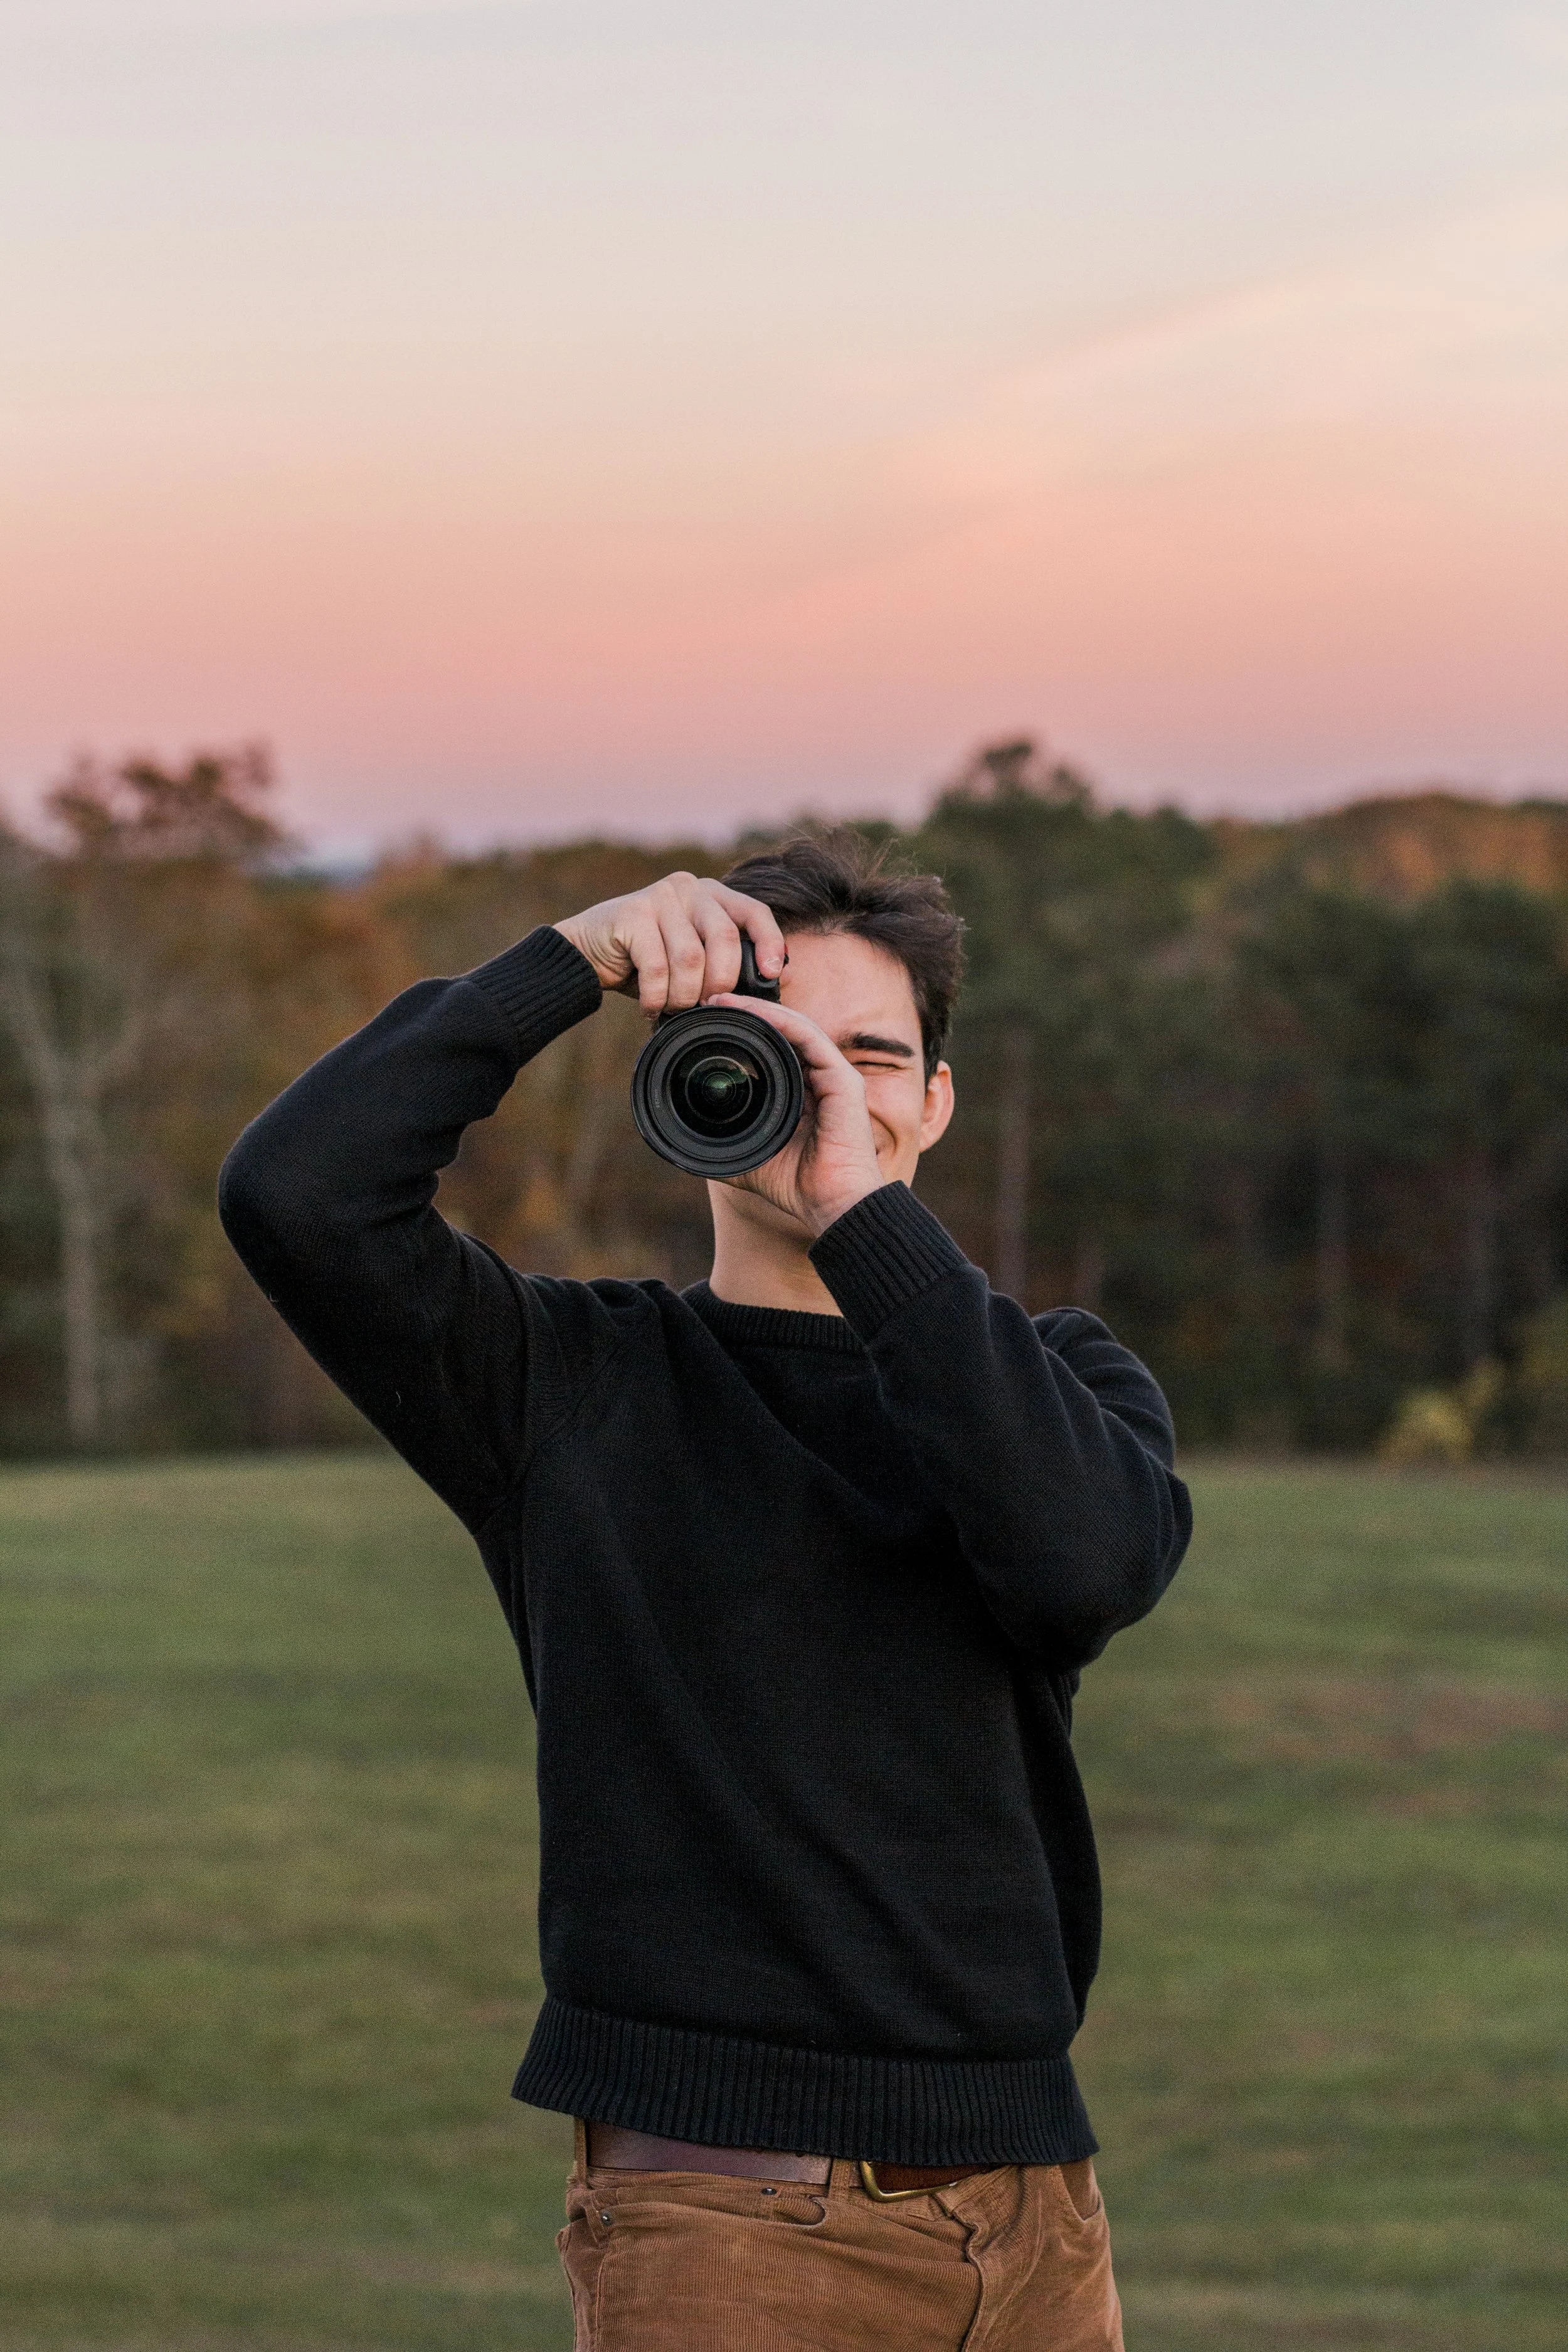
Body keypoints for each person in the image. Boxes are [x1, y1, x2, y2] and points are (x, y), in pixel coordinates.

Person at [219, 832, 1192, 2351]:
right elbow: (298, 1193)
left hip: (1038, 2221)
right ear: (690, 1082)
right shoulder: (566, 1384)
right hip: (724, 2240)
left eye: (871, 1054)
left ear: (933, 1104)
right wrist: (570, 961)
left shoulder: (1054, 1377)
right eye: (776, 1046)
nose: (826, 1088)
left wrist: (867, 1226)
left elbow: (1083, 1561)